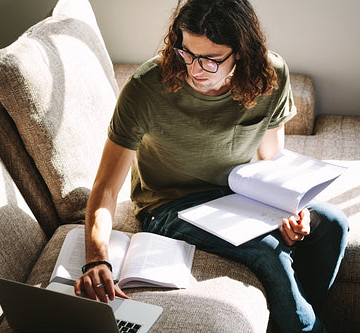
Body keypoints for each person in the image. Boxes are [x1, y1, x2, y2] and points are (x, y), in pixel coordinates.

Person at [74, 0, 349, 331]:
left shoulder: (270, 76)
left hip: (238, 193)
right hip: (168, 206)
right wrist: (96, 258)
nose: (195, 69)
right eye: (187, 53)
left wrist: (290, 207)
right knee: (268, 250)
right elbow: (105, 186)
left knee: (333, 221)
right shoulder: (146, 88)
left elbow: (273, 160)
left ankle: (296, 316)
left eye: (211, 59)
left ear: (241, 52)